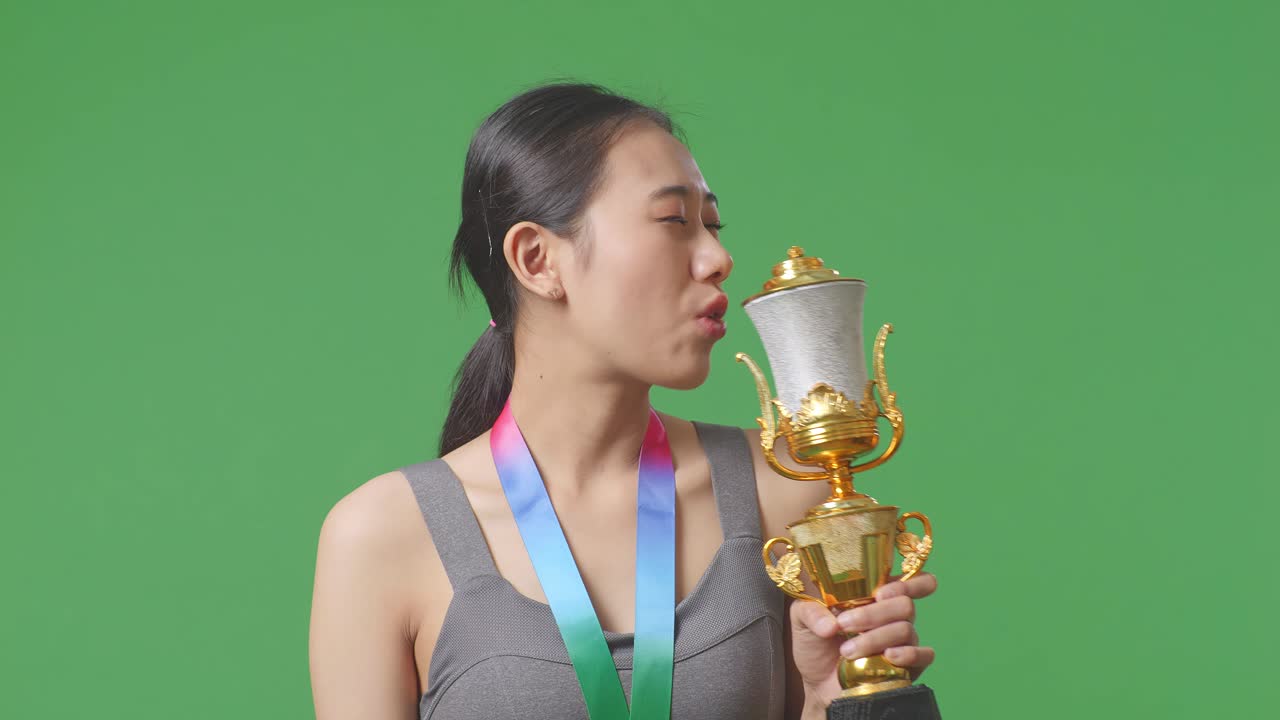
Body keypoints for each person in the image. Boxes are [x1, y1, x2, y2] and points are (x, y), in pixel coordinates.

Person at [308, 81, 938, 720]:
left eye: (713, 225)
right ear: (537, 260)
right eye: (674, 222)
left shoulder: (784, 486)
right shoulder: (381, 536)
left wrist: (833, 697)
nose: (719, 258)